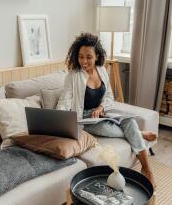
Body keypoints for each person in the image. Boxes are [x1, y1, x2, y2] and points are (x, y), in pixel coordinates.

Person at [56, 33, 156, 188]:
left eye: (88, 57)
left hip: (102, 113)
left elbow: (109, 97)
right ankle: (140, 137)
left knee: (129, 120)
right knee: (113, 131)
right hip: (84, 118)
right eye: (81, 56)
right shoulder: (73, 76)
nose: (84, 61)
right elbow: (64, 101)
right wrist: (59, 120)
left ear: (97, 56)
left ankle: (146, 168)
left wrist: (101, 107)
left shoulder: (102, 71)